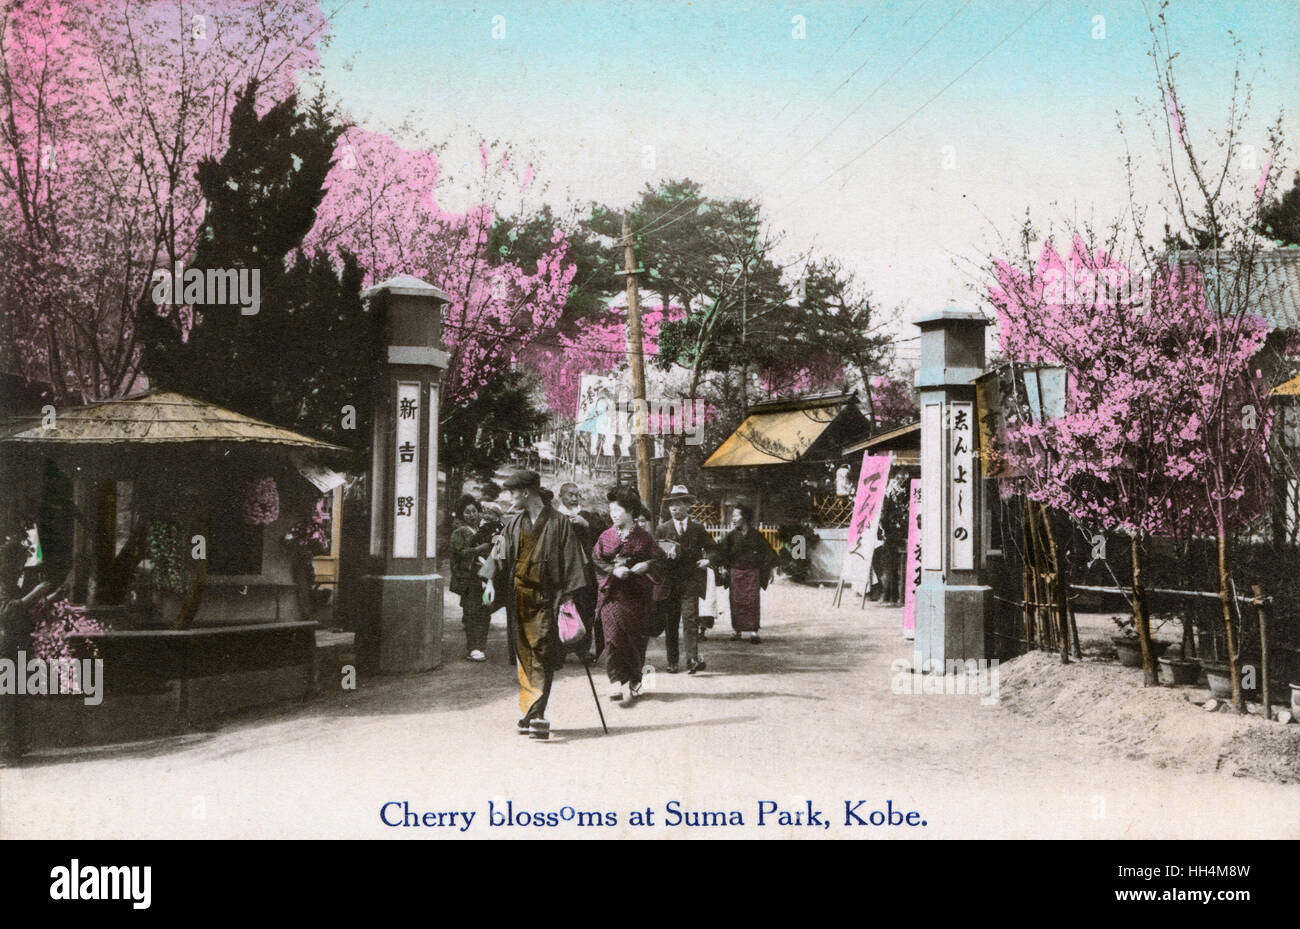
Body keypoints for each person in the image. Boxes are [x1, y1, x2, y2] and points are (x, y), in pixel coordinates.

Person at [479, 468, 593, 739]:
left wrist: (567, 598)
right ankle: (531, 710)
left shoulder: (559, 523)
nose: (510, 497)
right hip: (519, 596)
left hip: (546, 599)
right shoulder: (514, 523)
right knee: (524, 654)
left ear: (526, 492)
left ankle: (537, 715)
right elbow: (499, 555)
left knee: (541, 652)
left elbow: (573, 562)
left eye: (513, 492)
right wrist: (490, 582)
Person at [591, 486, 662, 703]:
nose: (613, 514)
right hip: (612, 595)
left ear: (630, 511)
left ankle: (634, 676)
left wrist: (646, 565)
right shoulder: (605, 536)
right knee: (612, 638)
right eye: (611, 509)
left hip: (637, 596)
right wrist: (613, 570)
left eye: (618, 509)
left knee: (635, 640)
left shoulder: (644, 537)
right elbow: (596, 558)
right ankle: (614, 682)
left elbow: (659, 559)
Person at [653, 485, 717, 674]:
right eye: (672, 505)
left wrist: (708, 560)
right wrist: (666, 557)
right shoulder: (662, 529)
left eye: (679, 504)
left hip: (690, 580)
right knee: (670, 623)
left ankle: (692, 660)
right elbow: (655, 556)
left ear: (688, 506)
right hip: (670, 583)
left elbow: (713, 548)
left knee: (690, 620)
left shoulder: (697, 528)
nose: (674, 508)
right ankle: (672, 662)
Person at [717, 503, 778, 643]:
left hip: (752, 573)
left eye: (735, 515)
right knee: (736, 601)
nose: (732, 518)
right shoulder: (731, 536)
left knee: (752, 601)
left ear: (744, 517)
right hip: (736, 573)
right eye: (732, 516)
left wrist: (771, 570)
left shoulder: (756, 535)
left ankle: (753, 631)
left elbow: (767, 553)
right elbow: (722, 553)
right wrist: (723, 568)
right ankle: (737, 630)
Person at [449, 495, 493, 661]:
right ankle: (473, 647)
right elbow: (458, 554)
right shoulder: (459, 532)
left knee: (485, 610)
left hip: (485, 576)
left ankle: (481, 646)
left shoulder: (484, 530)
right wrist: (478, 549)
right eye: (467, 512)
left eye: (474, 511)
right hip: (469, 578)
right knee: (471, 612)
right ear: (462, 515)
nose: (471, 515)